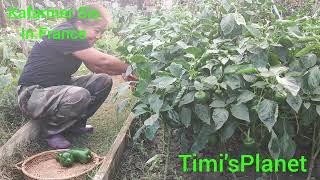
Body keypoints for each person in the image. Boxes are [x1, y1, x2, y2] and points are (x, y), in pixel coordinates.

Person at [17, 4, 136, 149]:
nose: (99, 36)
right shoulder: (67, 33)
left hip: (55, 88)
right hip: (32, 94)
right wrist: (132, 68)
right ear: (80, 24)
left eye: (102, 32)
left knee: (102, 81)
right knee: (79, 94)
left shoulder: (77, 38)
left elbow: (96, 67)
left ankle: (75, 124)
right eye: (97, 30)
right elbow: (102, 60)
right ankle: (51, 131)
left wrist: (124, 72)